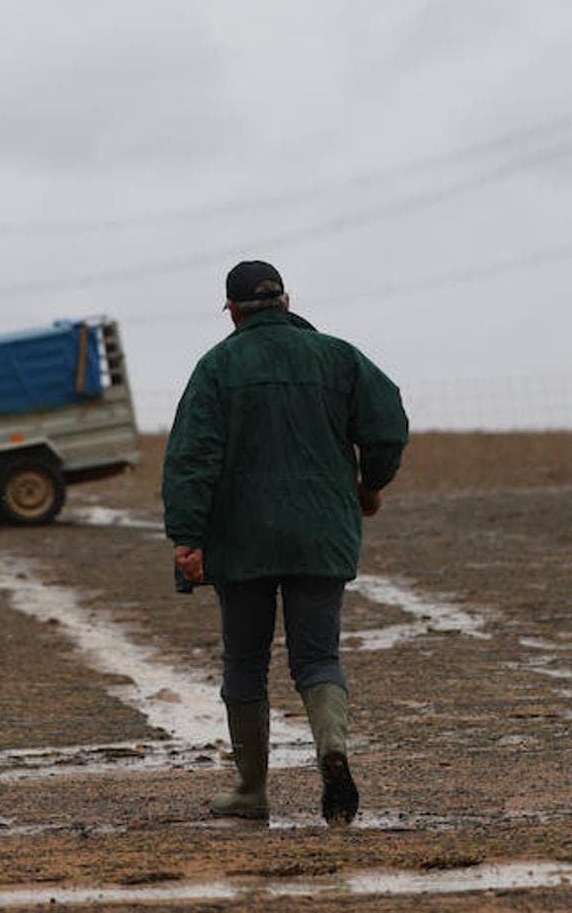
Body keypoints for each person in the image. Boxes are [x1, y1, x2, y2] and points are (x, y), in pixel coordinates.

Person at [162, 260, 409, 826]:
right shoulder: (338, 356)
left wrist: (187, 537)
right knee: (318, 658)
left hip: (241, 540)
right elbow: (387, 425)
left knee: (245, 663)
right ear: (287, 301)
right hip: (321, 534)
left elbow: (191, 458)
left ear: (231, 310)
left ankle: (252, 790)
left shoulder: (217, 366)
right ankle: (332, 751)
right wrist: (370, 485)